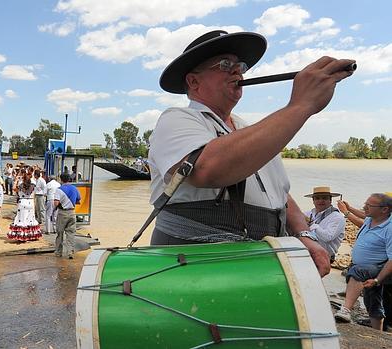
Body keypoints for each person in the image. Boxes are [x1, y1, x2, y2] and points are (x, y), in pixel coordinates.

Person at [147, 29, 354, 277]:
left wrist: (304, 235)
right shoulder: (176, 119)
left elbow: (280, 195)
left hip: (256, 260)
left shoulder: (247, 130)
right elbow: (207, 169)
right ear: (193, 81)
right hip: (192, 263)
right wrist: (301, 105)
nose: (237, 71)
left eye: (240, 66)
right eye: (225, 65)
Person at [334, 194, 392, 330]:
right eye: (365, 203)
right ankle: (377, 331)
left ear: (384, 209)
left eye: (369, 205)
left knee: (358, 272)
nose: (365, 207)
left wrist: (377, 280)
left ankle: (346, 310)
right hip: (369, 267)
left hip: (381, 267)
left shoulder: (390, 228)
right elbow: (363, 219)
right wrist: (350, 209)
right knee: (371, 298)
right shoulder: (372, 219)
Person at [302, 186, 345, 262]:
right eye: (317, 198)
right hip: (307, 254)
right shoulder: (308, 213)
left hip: (324, 257)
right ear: (313, 200)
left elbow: (327, 237)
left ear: (330, 200)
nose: (321, 201)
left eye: (324, 198)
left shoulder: (337, 217)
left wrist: (312, 224)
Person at [8, 172, 42, 242]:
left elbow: (14, 188)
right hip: (30, 202)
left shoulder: (20, 185)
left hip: (22, 202)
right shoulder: (33, 185)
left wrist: (16, 180)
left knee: (22, 219)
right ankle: (32, 234)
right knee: (31, 218)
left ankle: (23, 235)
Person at [53, 173, 81, 259]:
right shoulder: (75, 188)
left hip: (62, 213)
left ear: (61, 180)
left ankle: (58, 252)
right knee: (71, 234)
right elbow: (79, 199)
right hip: (72, 213)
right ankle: (70, 252)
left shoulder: (59, 190)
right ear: (69, 179)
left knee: (60, 233)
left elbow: (56, 203)